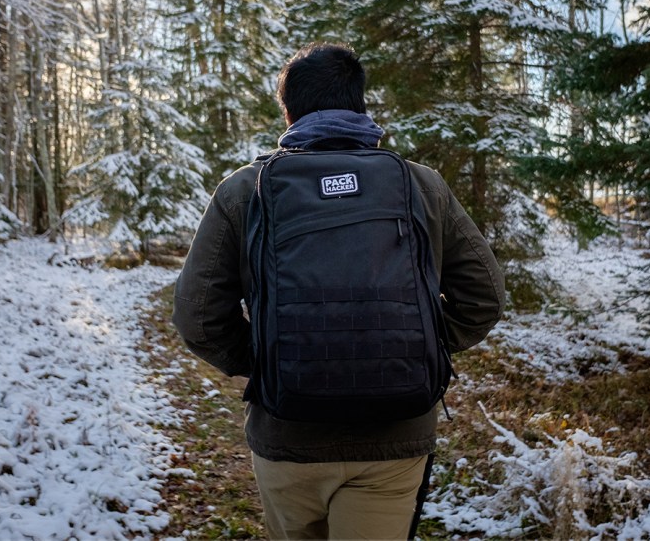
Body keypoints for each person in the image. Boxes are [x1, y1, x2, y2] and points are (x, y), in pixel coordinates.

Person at [172, 42, 505, 540]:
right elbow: (485, 296)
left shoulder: (245, 190)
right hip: (396, 436)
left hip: (288, 433)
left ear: (288, 112)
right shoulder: (421, 185)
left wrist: (266, 359)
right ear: (359, 104)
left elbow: (196, 316)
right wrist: (417, 346)